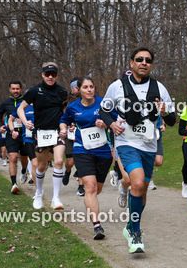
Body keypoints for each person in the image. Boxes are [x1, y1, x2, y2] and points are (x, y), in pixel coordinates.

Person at [99, 46, 177, 253]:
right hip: (126, 142)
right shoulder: (117, 86)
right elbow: (104, 110)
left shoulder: (160, 88)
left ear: (151, 65)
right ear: (132, 63)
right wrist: (111, 124)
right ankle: (136, 234)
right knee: (138, 182)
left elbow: (172, 121)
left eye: (148, 60)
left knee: (141, 192)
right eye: (139, 59)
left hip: (149, 145)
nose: (144, 63)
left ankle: (130, 226)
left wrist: (165, 111)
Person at [61, 77, 113, 240]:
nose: (89, 90)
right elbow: (64, 120)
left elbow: (117, 120)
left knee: (97, 189)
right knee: (89, 187)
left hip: (103, 150)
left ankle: (92, 206)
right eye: (85, 87)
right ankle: (97, 226)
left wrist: (106, 124)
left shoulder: (104, 103)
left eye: (91, 87)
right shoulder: (73, 107)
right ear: (79, 90)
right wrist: (63, 129)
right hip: (82, 149)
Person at [17, 61, 70, 211]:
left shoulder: (62, 91)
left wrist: (66, 124)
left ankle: (56, 198)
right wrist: (25, 121)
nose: (50, 77)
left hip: (56, 131)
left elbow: (65, 111)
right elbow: (21, 108)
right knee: (41, 166)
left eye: (53, 74)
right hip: (40, 132)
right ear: (43, 75)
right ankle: (39, 193)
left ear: (57, 76)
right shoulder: (35, 90)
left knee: (59, 161)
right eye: (47, 74)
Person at [0, 81, 28, 192]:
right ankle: (14, 184)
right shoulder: (6, 103)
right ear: (10, 90)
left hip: (24, 134)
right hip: (11, 134)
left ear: (21, 90)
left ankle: (24, 170)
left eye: (18, 89)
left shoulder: (25, 101)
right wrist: (0, 126)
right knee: (13, 158)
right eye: (13, 89)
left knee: (24, 158)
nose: (16, 91)